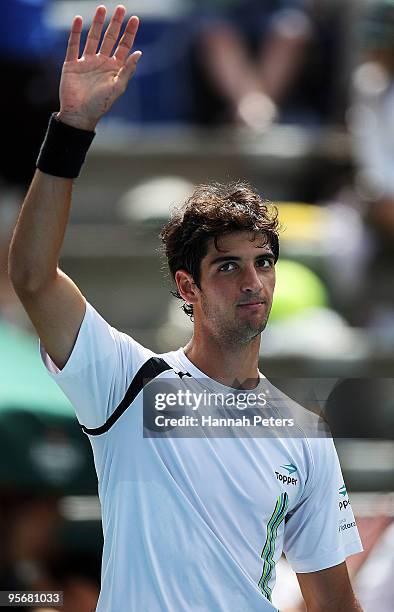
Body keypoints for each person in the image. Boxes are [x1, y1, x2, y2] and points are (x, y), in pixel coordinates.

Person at [8, 5, 364, 611]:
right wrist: (72, 128)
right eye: (228, 266)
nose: (253, 281)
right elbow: (34, 277)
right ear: (187, 287)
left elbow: (333, 601)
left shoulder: (303, 433)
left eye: (263, 262)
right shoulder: (128, 383)